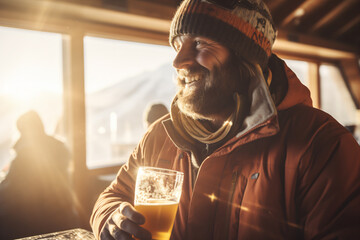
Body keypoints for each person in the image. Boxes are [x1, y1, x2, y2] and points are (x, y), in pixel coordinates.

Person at [90, 0, 360, 239]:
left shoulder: (322, 144)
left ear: (245, 57)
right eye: (177, 44)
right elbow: (113, 196)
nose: (178, 61)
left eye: (200, 43)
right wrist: (112, 217)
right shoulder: (160, 136)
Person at [0, 110, 77, 239]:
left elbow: (10, 191)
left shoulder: (26, 155)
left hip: (32, 222)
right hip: (64, 217)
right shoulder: (59, 149)